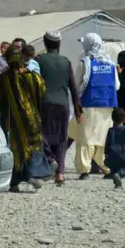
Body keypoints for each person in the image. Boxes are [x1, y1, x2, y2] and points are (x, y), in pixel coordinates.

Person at [0, 42, 46, 192]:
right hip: (31, 118)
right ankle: (32, 174)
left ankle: (14, 181)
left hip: (13, 121)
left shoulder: (3, 79)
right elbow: (42, 89)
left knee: (17, 148)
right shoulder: (30, 76)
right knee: (33, 145)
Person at [37, 30, 82, 184]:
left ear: (45, 42)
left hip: (44, 103)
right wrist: (77, 110)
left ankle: (50, 159)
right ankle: (60, 174)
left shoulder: (39, 60)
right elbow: (73, 88)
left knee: (42, 135)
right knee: (62, 138)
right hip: (63, 104)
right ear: (59, 44)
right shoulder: (66, 61)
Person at [72, 32, 119, 179]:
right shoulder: (110, 64)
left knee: (85, 138)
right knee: (103, 137)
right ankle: (107, 168)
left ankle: (84, 170)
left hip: (88, 105)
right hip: (107, 106)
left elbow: (76, 85)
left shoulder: (84, 63)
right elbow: (116, 85)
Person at [103, 108, 125, 188]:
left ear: (112, 119)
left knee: (114, 167)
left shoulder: (111, 130)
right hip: (123, 152)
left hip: (112, 153)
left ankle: (116, 182)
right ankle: (117, 175)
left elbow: (107, 142)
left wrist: (106, 152)